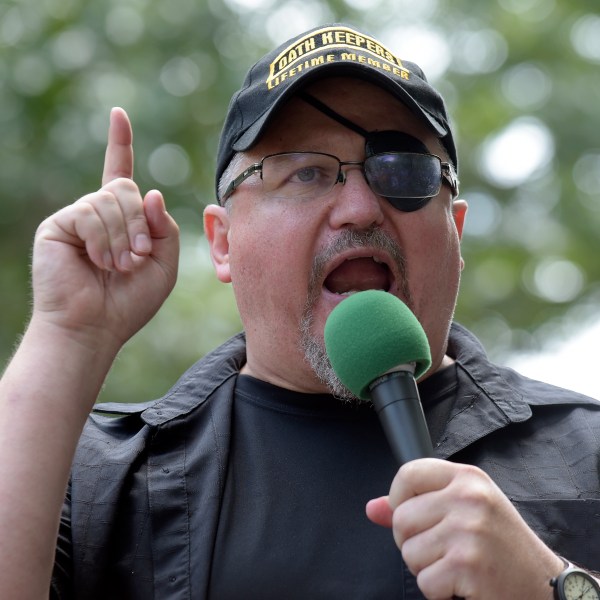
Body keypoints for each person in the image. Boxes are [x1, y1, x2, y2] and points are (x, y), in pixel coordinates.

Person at [1, 22, 599, 600]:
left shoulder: (587, 451)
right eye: (307, 172)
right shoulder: (97, 477)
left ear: (457, 232)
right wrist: (69, 334)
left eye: (401, 169)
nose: (361, 207)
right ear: (223, 242)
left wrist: (553, 590)